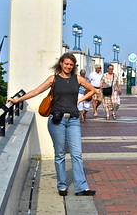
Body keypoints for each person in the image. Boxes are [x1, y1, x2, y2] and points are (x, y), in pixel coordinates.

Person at [7, 52, 97, 197]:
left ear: (74, 66)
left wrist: (80, 100)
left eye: (71, 65)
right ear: (61, 63)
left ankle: (81, 187)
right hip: (57, 120)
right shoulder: (54, 79)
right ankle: (62, 186)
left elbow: (93, 90)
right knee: (60, 154)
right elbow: (36, 91)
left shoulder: (78, 79)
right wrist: (17, 100)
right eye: (66, 64)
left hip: (74, 120)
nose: (68, 66)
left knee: (77, 154)